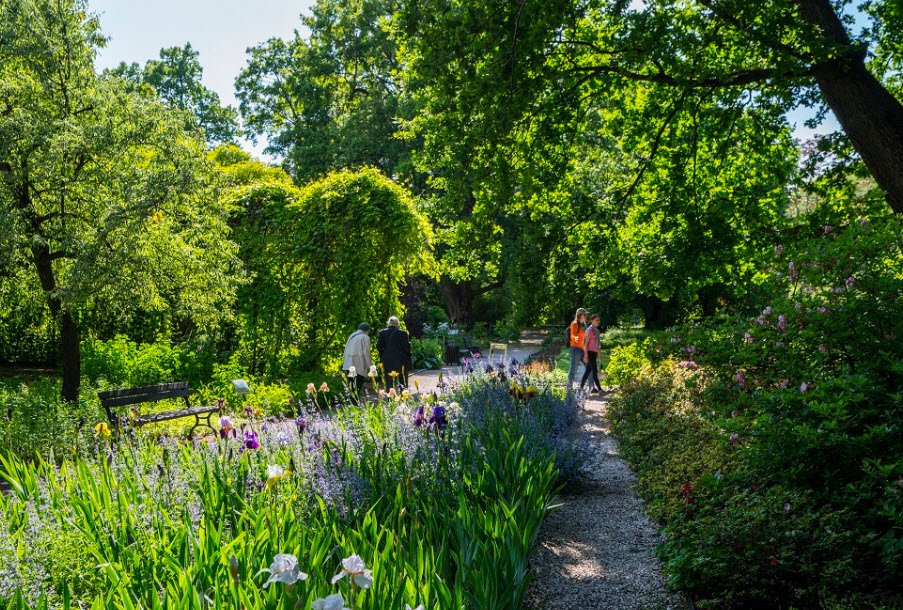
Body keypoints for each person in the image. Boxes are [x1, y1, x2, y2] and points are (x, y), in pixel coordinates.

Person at [376, 316, 412, 388]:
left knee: (389, 381)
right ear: (397, 324)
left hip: (387, 360)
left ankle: (390, 397)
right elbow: (407, 347)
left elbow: (379, 346)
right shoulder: (403, 333)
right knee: (403, 380)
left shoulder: (382, 333)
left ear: (388, 323)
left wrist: (383, 355)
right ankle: (404, 396)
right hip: (401, 360)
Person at [342, 323, 372, 399]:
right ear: (367, 330)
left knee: (351, 384)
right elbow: (366, 353)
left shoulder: (351, 336)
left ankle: (351, 403)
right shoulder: (365, 337)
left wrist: (344, 366)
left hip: (349, 364)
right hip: (359, 365)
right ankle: (354, 403)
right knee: (358, 384)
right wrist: (370, 367)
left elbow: (345, 351)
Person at [580, 313, 603, 394]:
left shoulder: (596, 331)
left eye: (599, 320)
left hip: (594, 353)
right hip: (590, 353)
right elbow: (585, 344)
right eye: (596, 320)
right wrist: (586, 355)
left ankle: (581, 388)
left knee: (587, 371)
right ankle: (600, 389)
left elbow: (598, 345)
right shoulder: (589, 330)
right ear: (591, 321)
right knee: (594, 371)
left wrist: (600, 355)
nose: (598, 322)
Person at [567, 308, 588, 389]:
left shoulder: (584, 325)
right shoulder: (574, 324)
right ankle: (569, 387)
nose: (586, 316)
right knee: (573, 369)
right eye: (584, 315)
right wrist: (574, 337)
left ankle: (593, 386)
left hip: (583, 350)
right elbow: (572, 334)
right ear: (580, 315)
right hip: (575, 349)